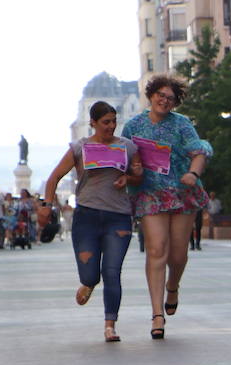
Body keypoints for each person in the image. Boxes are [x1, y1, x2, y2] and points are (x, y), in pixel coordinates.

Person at [38, 101, 143, 342]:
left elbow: (139, 174)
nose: (111, 127)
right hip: (87, 216)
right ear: (93, 123)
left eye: (114, 121)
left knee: (112, 271)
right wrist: (46, 205)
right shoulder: (79, 148)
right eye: (105, 122)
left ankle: (110, 325)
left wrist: (128, 177)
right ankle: (87, 283)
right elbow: (54, 177)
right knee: (91, 274)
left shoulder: (128, 147)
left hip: (118, 217)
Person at [122, 75, 211, 340]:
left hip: (182, 193)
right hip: (149, 194)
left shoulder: (181, 124)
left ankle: (174, 285)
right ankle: (157, 314)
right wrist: (131, 171)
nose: (165, 101)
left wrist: (193, 175)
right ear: (151, 95)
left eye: (171, 98)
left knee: (178, 255)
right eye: (161, 95)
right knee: (156, 249)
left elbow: (199, 151)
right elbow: (123, 157)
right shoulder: (133, 126)